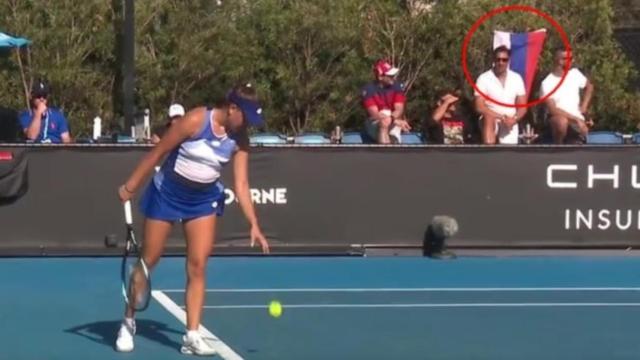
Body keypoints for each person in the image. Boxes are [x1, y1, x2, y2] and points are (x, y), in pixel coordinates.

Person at [115, 83, 270, 355]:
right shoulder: (196, 120)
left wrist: (254, 223)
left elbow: (242, 184)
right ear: (232, 108)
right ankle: (128, 320)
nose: (249, 125)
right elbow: (158, 152)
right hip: (167, 194)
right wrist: (131, 185)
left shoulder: (240, 139)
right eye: (246, 117)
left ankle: (192, 335)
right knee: (149, 260)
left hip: (203, 201)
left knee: (198, 265)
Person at [540, 47, 595, 144]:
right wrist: (576, 119)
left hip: (577, 120)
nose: (572, 61)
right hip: (558, 120)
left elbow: (589, 87)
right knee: (561, 122)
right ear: (559, 61)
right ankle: (558, 148)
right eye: (568, 59)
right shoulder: (547, 83)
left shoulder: (575, 74)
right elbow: (553, 109)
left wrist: (584, 107)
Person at [474, 46, 527, 145]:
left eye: (504, 60)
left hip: (510, 121)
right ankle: (488, 154)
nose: (501, 63)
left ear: (508, 61)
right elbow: (479, 106)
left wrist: (514, 119)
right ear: (493, 60)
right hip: (491, 119)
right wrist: (501, 117)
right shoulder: (484, 78)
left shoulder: (516, 78)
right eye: (498, 59)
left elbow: (522, 106)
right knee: (488, 118)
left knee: (508, 153)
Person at [361, 59, 411, 144]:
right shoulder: (368, 90)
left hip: (392, 119)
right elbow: (375, 115)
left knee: (392, 135)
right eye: (390, 75)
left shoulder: (397, 86)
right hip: (375, 122)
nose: (393, 77)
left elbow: (399, 109)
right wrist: (396, 121)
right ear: (380, 76)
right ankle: (384, 154)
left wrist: (392, 119)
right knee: (383, 122)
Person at [19, 79, 71, 144]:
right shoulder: (26, 116)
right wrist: (38, 113)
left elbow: (66, 139)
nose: (42, 99)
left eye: (44, 96)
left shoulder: (58, 116)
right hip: (35, 151)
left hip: (55, 150)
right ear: (32, 97)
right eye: (38, 96)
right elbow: (31, 137)